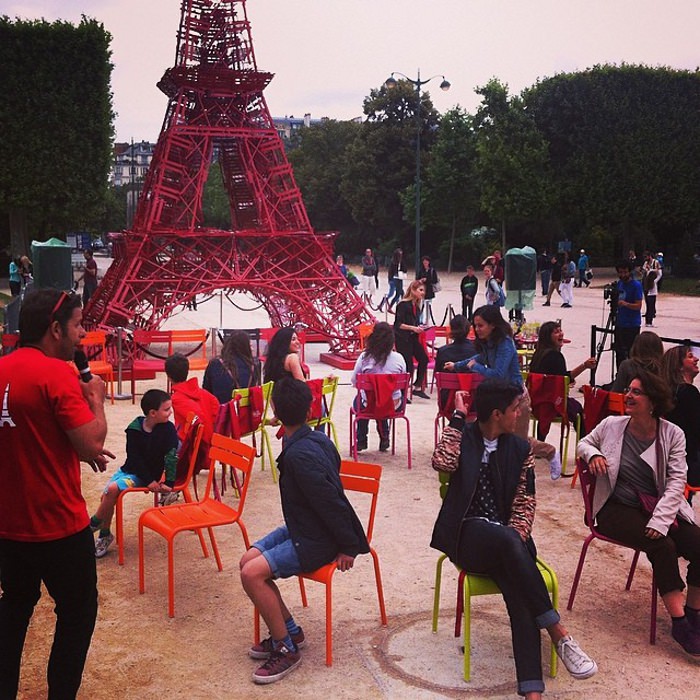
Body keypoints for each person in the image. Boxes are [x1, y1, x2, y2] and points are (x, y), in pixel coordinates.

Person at [431, 379, 597, 698]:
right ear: (497, 414)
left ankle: (532, 692)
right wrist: (456, 417)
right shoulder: (464, 436)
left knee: (520, 597)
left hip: (509, 546)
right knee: (506, 542)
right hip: (468, 538)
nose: (519, 413)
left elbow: (525, 502)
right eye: (514, 409)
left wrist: (515, 539)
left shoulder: (520, 449)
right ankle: (557, 631)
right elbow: (443, 462)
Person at [0, 288, 112, 700]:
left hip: (9, 526)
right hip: (58, 527)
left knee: (14, 607)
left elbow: (26, 435)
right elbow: (90, 441)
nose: (81, 334)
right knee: (77, 614)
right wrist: (97, 400)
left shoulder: (1, 369)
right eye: (78, 324)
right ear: (54, 328)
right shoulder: (57, 374)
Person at [239, 378, 370, 684]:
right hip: (303, 526)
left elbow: (332, 503)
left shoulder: (300, 456)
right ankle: (291, 632)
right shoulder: (317, 439)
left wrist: (347, 546)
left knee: (251, 574)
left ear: (276, 410)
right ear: (311, 408)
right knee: (247, 561)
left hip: (318, 539)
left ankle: (286, 648)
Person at [577, 370, 700, 656]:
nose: (628, 396)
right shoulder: (612, 425)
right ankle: (680, 622)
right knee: (662, 545)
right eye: (628, 391)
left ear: (653, 402)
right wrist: (593, 454)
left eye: (636, 392)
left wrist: (661, 520)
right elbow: (585, 441)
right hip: (614, 509)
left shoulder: (672, 434)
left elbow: (676, 483)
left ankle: (694, 612)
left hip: (658, 506)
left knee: (697, 542)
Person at [443, 305, 561, 477]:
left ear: (493, 325)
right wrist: (457, 365)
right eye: (475, 326)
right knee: (494, 436)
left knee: (518, 442)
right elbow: (479, 358)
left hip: (516, 399)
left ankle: (550, 452)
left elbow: (498, 374)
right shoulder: (487, 343)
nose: (477, 329)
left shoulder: (505, 342)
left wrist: (476, 368)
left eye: (480, 325)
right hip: (498, 400)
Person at [89, 389, 179, 559]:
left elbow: (171, 456)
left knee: (112, 489)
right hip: (132, 471)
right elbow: (135, 459)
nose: (171, 412)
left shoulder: (168, 430)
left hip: (145, 476)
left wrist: (169, 482)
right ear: (153, 413)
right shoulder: (134, 429)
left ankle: (93, 525)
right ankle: (104, 534)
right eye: (166, 409)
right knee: (107, 496)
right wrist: (149, 480)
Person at [529, 321, 596, 439]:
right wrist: (584, 366)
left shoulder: (538, 354)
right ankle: (584, 444)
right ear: (548, 337)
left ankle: (540, 440)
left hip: (535, 400)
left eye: (560, 331)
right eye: (556, 332)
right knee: (578, 409)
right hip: (551, 403)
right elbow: (564, 381)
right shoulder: (555, 356)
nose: (560, 334)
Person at [350, 322, 406, 452]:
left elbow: (354, 380)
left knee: (364, 401)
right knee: (384, 397)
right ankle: (384, 436)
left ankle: (361, 439)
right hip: (394, 404)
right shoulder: (399, 358)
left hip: (368, 403)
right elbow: (404, 380)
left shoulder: (364, 358)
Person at [662, 345, 700, 499]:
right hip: (688, 461)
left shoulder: (667, 392)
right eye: (690, 356)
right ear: (679, 367)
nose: (696, 359)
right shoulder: (688, 394)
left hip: (671, 459)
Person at [165, 351, 220, 442]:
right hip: (209, 441)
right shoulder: (204, 393)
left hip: (193, 445)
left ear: (168, 377)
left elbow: (198, 419)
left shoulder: (177, 398)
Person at [203, 330, 262, 404]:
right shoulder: (254, 365)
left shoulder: (215, 364)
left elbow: (206, 391)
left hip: (220, 411)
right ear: (245, 347)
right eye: (250, 346)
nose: (252, 349)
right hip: (246, 412)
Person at [393, 280, 430, 399]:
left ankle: (417, 386)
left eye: (423, 290)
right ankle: (403, 393)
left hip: (413, 337)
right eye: (420, 290)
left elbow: (415, 322)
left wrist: (420, 327)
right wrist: (413, 328)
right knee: (408, 365)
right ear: (413, 290)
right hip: (402, 338)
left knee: (423, 359)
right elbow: (398, 324)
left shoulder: (417, 306)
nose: (422, 293)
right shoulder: (403, 305)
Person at [612, 260, 644, 369]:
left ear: (630, 272)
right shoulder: (619, 284)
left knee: (631, 354)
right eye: (620, 272)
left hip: (632, 325)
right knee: (619, 353)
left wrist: (625, 304)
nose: (623, 275)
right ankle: (619, 376)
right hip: (620, 323)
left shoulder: (636, 285)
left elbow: (638, 306)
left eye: (625, 272)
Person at [641, 250, 661, 327]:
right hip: (646, 285)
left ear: (650, 256)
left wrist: (654, 281)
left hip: (652, 286)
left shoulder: (655, 262)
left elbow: (659, 274)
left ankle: (650, 320)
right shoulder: (645, 263)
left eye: (646, 257)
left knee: (651, 303)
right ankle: (647, 320)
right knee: (647, 303)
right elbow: (644, 272)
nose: (645, 258)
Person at [417, 255, 439, 324]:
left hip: (429, 290)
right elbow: (417, 278)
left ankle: (427, 320)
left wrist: (427, 280)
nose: (425, 263)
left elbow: (435, 280)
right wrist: (420, 280)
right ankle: (420, 320)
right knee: (421, 306)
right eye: (424, 261)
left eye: (426, 261)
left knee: (428, 307)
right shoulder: (421, 270)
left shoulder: (432, 270)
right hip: (421, 290)